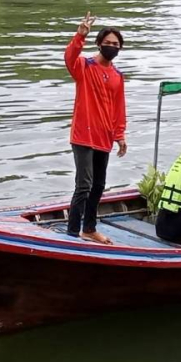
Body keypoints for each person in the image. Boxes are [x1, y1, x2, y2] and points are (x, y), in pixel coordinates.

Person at [64, 12, 127, 244]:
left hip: (104, 136)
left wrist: (119, 135)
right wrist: (79, 36)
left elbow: (119, 108)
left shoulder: (117, 76)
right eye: (108, 43)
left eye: (116, 44)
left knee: (98, 185)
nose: (112, 47)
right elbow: (69, 58)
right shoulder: (84, 66)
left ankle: (89, 229)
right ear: (99, 44)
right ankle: (72, 232)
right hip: (83, 135)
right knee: (84, 185)